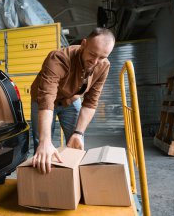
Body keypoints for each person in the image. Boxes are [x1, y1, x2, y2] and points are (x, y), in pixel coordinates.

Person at [30, 27, 115, 174]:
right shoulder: (58, 58)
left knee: (76, 142)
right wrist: (45, 142)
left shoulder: (104, 65)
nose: (95, 62)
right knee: (42, 144)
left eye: (102, 57)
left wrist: (79, 133)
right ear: (83, 44)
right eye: (92, 54)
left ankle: (73, 182)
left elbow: (90, 102)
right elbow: (47, 98)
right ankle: (40, 184)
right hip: (43, 101)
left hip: (70, 99)